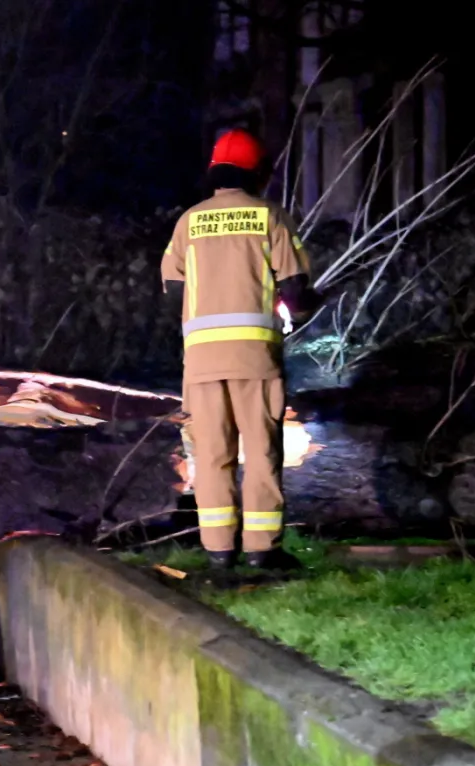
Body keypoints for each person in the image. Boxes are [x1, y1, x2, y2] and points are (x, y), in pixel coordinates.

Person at [160, 129, 319, 572]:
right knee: (263, 453)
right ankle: (262, 551)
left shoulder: (188, 222)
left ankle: (218, 551)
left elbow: (173, 291)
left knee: (212, 456)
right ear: (257, 172)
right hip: (254, 359)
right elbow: (295, 290)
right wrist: (306, 304)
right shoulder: (269, 217)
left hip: (202, 362)